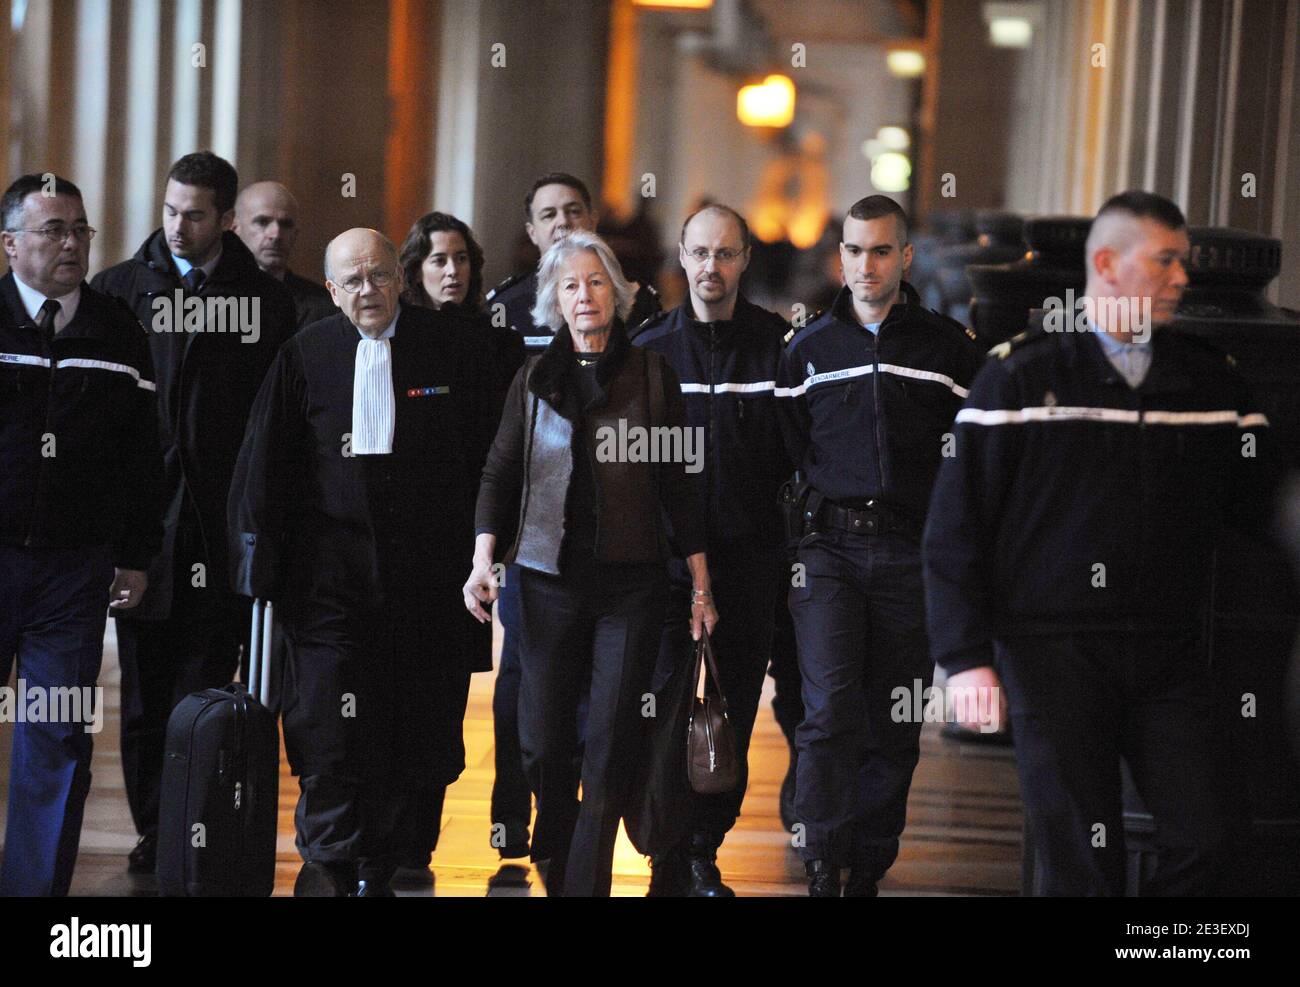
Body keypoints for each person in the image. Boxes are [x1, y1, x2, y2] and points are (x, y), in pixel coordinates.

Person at [924, 191, 1278, 896]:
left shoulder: (1210, 378)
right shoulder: (1021, 375)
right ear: (1110, 264)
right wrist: (964, 661)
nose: (1183, 278)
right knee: (1081, 862)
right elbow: (955, 527)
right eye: (1168, 261)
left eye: (1185, 263)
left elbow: (1262, 504)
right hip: (1052, 652)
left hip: (1168, 651)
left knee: (1210, 837)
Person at [229, 228, 498, 896]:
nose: (367, 290)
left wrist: (490, 550)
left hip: (431, 578)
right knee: (328, 722)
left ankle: (399, 852)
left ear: (400, 279)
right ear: (330, 289)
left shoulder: (453, 351)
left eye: (379, 275)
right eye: (351, 279)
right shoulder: (305, 354)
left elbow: (492, 459)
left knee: (422, 716)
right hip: (327, 581)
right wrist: (260, 567)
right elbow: (266, 470)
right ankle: (333, 848)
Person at [464, 230, 716, 897]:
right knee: (543, 744)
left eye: (597, 281)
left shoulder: (653, 376)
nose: (585, 295)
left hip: (629, 587)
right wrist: (483, 557)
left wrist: (699, 581)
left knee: (608, 743)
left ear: (618, 293)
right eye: (571, 284)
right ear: (554, 298)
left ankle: (584, 884)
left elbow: (679, 486)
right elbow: (499, 469)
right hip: (545, 583)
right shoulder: (534, 376)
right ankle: (557, 838)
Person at [91, 151, 296, 875]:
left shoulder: (268, 306)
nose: (178, 225)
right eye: (171, 209)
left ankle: (194, 828)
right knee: (144, 695)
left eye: (196, 214)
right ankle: (156, 827)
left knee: (206, 687)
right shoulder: (117, 291)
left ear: (227, 219)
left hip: (224, 527)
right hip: (144, 527)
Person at [776, 195, 981, 896]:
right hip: (828, 550)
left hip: (910, 556)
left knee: (894, 724)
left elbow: (973, 459)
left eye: (882, 251)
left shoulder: (949, 349)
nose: (867, 265)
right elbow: (790, 450)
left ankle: (865, 861)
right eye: (856, 251)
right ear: (841, 257)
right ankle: (821, 857)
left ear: (906, 257)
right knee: (829, 709)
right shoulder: (806, 350)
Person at [0, 173, 164, 896]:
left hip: (72, 574)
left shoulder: (116, 329)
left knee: (58, 738)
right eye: (53, 230)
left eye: (80, 230)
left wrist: (135, 553)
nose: (71, 244)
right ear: (10, 244)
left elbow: (141, 455)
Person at [633, 204, 791, 895]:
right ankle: (663, 843)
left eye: (725, 253)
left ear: (746, 258)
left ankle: (702, 848)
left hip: (750, 564)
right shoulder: (651, 347)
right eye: (699, 252)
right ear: (681, 254)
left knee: (729, 712)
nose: (711, 267)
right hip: (665, 568)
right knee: (666, 705)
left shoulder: (779, 346)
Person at [395, 209, 525, 871]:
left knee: (444, 698)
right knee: (394, 688)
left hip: (464, 541)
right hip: (401, 544)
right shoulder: (395, 338)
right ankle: (387, 834)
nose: (452, 270)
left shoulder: (494, 343)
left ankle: (419, 837)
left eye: (461, 259)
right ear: (415, 269)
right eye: (437, 259)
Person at [486, 172, 660, 355]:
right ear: (532, 233)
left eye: (573, 212)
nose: (562, 221)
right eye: (549, 215)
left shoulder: (636, 301)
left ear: (593, 221)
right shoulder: (506, 306)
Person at [233, 180, 335, 328]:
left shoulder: (324, 307)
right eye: (262, 222)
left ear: (295, 234)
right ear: (234, 229)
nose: (276, 234)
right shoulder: (206, 297)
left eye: (286, 224)